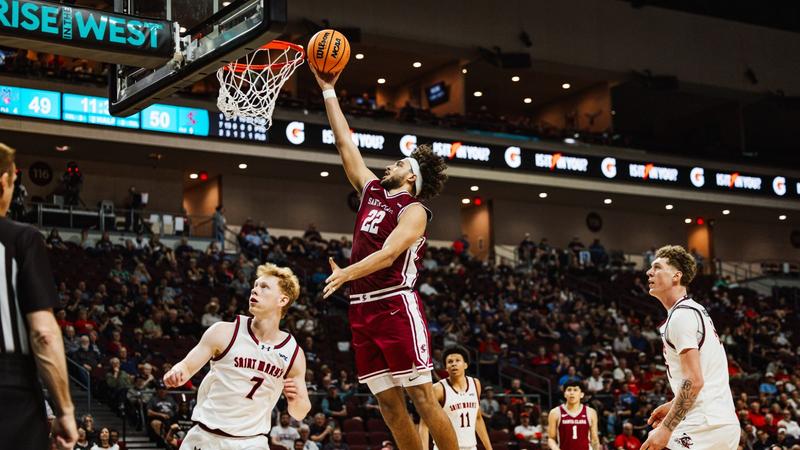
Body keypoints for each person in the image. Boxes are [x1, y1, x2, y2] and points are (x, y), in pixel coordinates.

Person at [311, 65, 455, 450]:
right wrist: (328, 91)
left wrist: (346, 274)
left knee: (422, 400)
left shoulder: (414, 211)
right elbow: (345, 145)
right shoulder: (371, 190)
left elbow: (390, 253)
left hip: (394, 306)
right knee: (389, 408)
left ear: (412, 178)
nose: (392, 163)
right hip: (361, 309)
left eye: (402, 163)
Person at [163, 263, 311, 449]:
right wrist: (176, 372)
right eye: (255, 286)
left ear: (282, 300)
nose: (255, 290)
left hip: (251, 442)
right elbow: (186, 366)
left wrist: (295, 399)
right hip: (206, 437)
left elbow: (300, 412)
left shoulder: (293, 353)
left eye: (264, 287)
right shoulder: (224, 331)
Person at [0, 143, 77, 449]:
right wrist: (65, 411)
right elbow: (44, 333)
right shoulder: (20, 239)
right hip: (9, 394)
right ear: (5, 181)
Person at [641, 245, 740, 450]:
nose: (649, 272)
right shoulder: (694, 310)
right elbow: (704, 376)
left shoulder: (682, 316)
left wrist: (666, 428)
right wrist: (672, 407)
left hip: (704, 425)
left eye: (657, 267)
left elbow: (694, 380)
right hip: (720, 423)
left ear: (676, 276)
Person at [419, 347, 492, 450]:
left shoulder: (475, 384)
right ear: (446, 368)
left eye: (457, 360)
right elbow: (424, 425)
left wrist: (489, 448)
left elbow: (478, 418)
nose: (454, 364)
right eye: (450, 362)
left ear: (465, 365)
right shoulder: (438, 389)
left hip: (471, 447)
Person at [546, 381, 600, 450]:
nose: (572, 393)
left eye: (575, 390)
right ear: (565, 394)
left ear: (582, 394)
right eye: (569, 390)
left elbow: (594, 439)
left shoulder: (591, 412)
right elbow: (551, 438)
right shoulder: (555, 412)